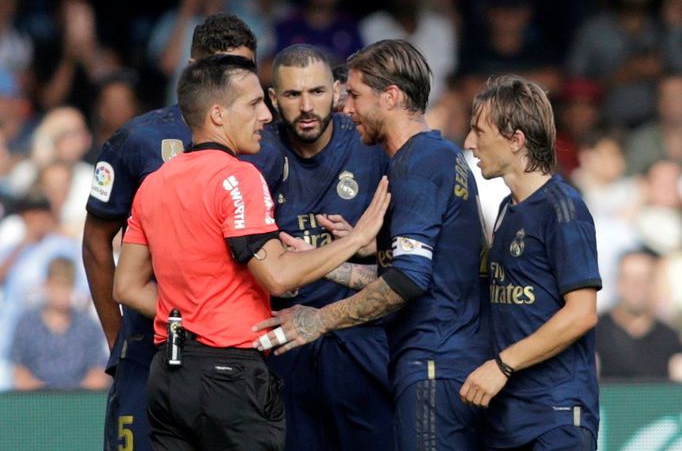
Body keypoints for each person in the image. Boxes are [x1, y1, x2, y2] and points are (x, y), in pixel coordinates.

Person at [112, 54, 389, 451]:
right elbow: (276, 275)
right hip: (230, 375)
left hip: (169, 375)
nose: (265, 115)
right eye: (254, 103)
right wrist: (354, 239)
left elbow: (126, 286)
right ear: (219, 115)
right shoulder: (239, 177)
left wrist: (191, 319)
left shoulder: (155, 183)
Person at [253, 39, 490, 451]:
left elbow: (409, 280)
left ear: (391, 97)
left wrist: (319, 319)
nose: (347, 109)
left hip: (435, 362)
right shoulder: (431, 156)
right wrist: (326, 264)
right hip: (437, 360)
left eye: (356, 96)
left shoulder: (417, 164)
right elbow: (422, 273)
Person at [82, 13, 258, 451]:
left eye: (242, 70)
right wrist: (117, 339)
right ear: (192, 69)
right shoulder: (138, 140)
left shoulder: (264, 143)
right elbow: (95, 242)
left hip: (236, 352)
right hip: (150, 341)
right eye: (218, 68)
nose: (230, 80)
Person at [244, 44, 393, 451]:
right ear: (273, 100)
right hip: (280, 344)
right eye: (292, 95)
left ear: (339, 91)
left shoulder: (371, 146)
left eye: (317, 92)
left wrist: (366, 245)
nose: (306, 106)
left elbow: (410, 259)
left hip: (362, 340)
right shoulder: (256, 154)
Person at [461, 74, 602, 450]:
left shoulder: (563, 209)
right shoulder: (508, 209)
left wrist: (502, 364)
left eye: (478, 131)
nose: (469, 143)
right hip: (507, 416)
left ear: (516, 139)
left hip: (555, 417)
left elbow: (582, 313)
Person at [9, 256, 109, 390]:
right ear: (46, 285)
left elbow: (99, 374)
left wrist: (71, 396)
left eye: (67, 286)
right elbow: (19, 373)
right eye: (57, 285)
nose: (62, 293)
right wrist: (47, 395)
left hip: (79, 403)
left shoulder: (87, 325)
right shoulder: (27, 324)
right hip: (37, 403)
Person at [596, 249, 682, 381]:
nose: (636, 286)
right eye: (629, 278)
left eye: (643, 278)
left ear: (654, 284)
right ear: (618, 282)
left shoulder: (670, 338)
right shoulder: (595, 335)